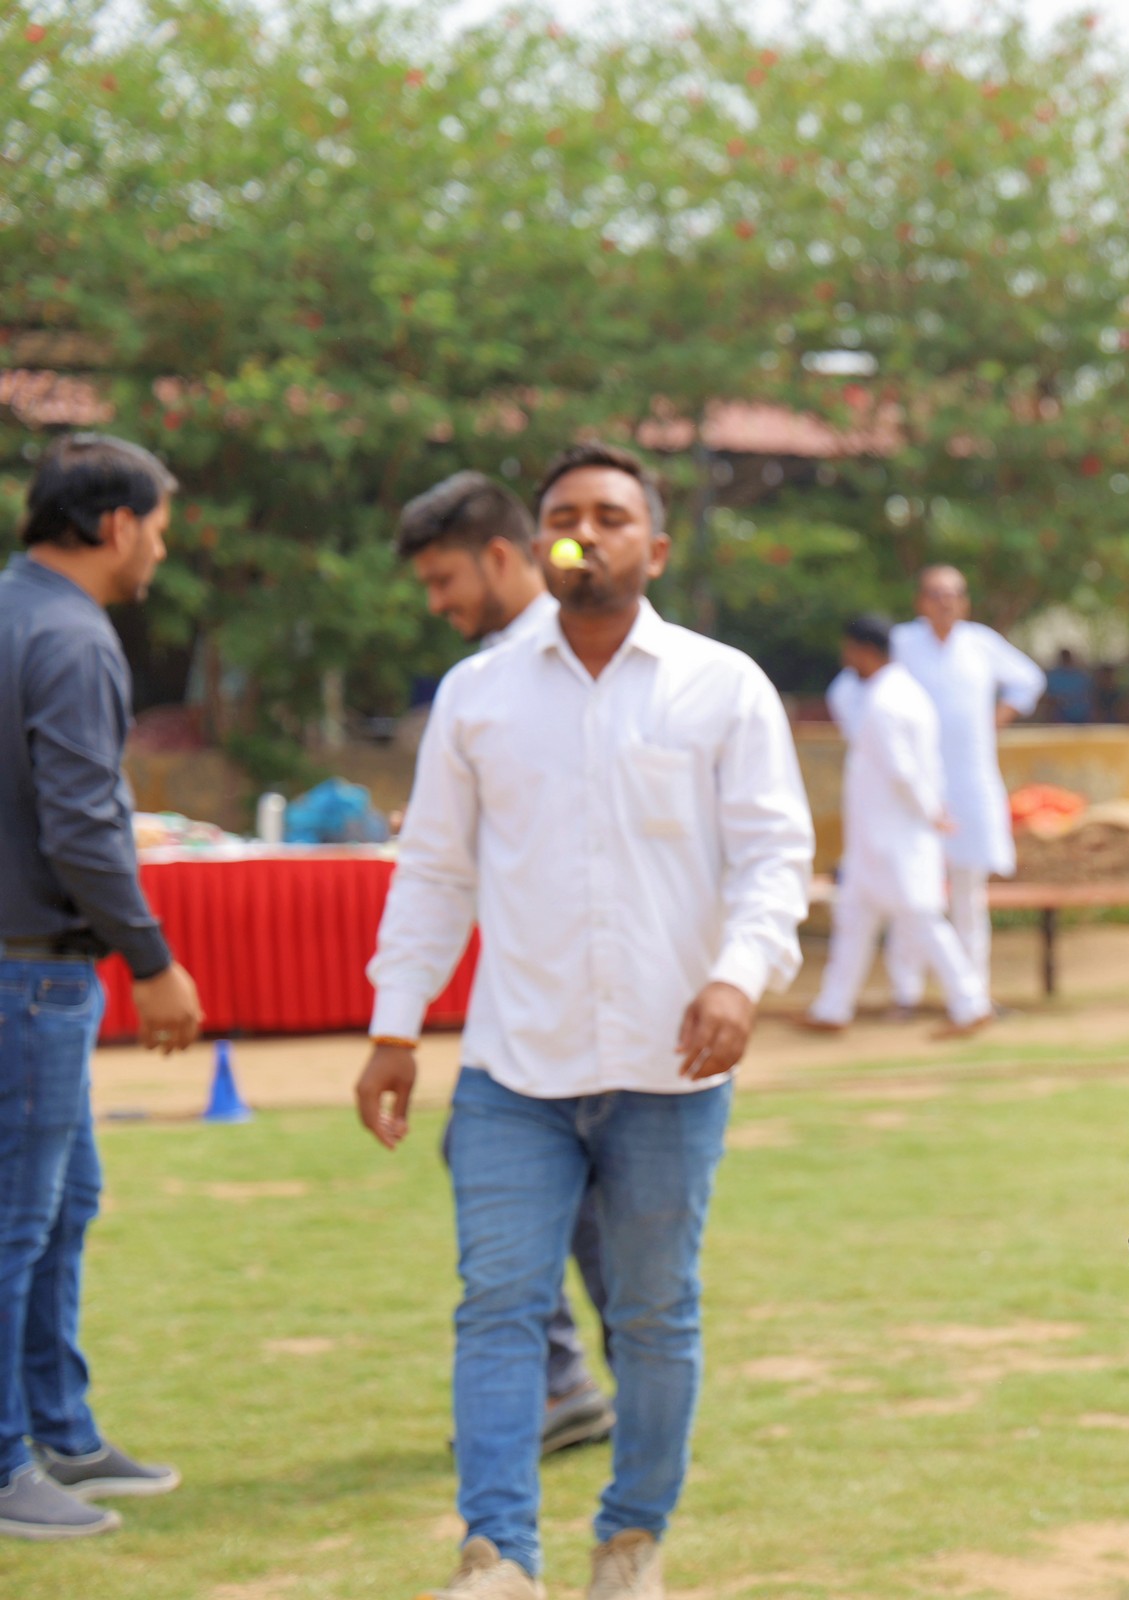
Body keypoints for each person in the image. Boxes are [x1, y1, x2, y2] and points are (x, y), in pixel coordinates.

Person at [359, 442, 815, 1600]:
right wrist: (395, 1027)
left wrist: (738, 976)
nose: (586, 531)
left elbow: (774, 859)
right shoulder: (478, 697)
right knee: (498, 1306)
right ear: (537, 542)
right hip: (516, 1070)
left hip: (672, 1070)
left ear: (653, 547)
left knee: (654, 1316)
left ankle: (630, 1542)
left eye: (612, 515)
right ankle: (498, 1554)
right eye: (566, 513)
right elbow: (433, 872)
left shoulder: (723, 686)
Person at [394, 471, 616, 1457]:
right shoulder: (482, 683)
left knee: (609, 1213)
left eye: (443, 579)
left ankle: (600, 1384)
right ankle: (569, 1379)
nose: (435, 603)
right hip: (523, 1008)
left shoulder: (592, 660)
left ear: (498, 556)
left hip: (608, 1008)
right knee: (522, 1178)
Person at [0, 434, 197, 1541]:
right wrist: (154, 962)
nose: (160, 551)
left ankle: (59, 1432)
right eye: (157, 528)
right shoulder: (72, 637)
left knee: (63, 1203)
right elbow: (80, 824)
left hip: (26, 968)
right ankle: (5, 1463)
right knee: (17, 1220)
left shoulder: (14, 614)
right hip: (31, 973)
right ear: (116, 524)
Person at [802, 617, 991, 1038]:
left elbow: (903, 771)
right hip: (876, 838)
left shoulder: (888, 701)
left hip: (897, 838)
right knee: (854, 921)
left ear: (864, 650)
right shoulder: (898, 693)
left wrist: (930, 812)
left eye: (850, 650)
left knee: (922, 920)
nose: (846, 659)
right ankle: (831, 1008)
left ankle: (970, 1003)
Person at [884, 566, 1046, 998]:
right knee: (912, 893)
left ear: (965, 601)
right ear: (920, 601)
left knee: (970, 894)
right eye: (936, 594)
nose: (946, 602)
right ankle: (906, 993)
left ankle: (973, 993)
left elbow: (1028, 680)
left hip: (971, 783)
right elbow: (861, 686)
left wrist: (997, 719)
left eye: (954, 594)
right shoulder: (901, 643)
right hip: (915, 787)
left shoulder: (980, 644)